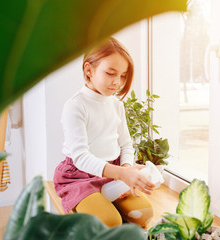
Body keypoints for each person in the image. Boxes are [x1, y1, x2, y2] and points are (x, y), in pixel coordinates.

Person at [53, 37, 155, 228]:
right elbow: (81, 157)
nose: (117, 82)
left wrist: (126, 170)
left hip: (113, 171)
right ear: (88, 70)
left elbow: (125, 144)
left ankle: (106, 206)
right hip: (80, 176)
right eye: (110, 73)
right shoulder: (75, 106)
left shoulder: (117, 105)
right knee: (109, 222)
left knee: (144, 214)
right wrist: (122, 174)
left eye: (123, 75)